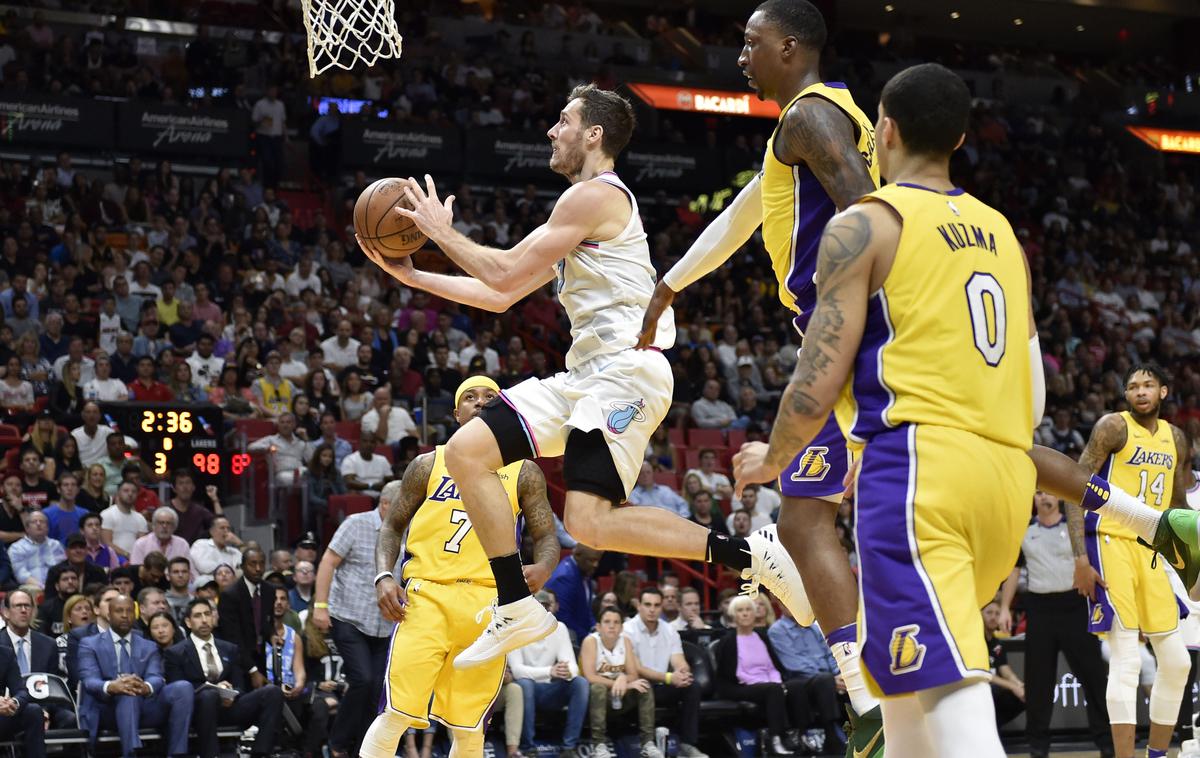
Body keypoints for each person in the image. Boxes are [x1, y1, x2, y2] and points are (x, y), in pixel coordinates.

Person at [362, 85, 806, 672]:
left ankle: (751, 554)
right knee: (468, 453)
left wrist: (440, 234)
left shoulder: (595, 196)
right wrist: (416, 277)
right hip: (584, 377)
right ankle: (517, 604)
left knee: (588, 522)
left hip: (627, 372)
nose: (552, 130)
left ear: (593, 134)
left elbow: (505, 268)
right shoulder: (576, 211)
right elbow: (501, 293)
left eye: (563, 120)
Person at [731, 63, 1033, 758]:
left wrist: (774, 457)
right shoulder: (1002, 234)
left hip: (921, 472)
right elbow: (1033, 385)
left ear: (884, 131)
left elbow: (819, 371)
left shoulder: (866, 222)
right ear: (959, 136)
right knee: (900, 694)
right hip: (1004, 476)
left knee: (950, 691)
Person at [637, 0, 884, 749]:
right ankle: (870, 692)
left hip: (845, 336)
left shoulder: (810, 117)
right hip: (849, 334)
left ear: (790, 46)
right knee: (817, 517)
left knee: (817, 519)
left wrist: (881, 313)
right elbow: (744, 215)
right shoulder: (821, 124)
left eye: (750, 43)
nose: (739, 56)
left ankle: (874, 693)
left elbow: (872, 213)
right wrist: (668, 286)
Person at [363, 377, 561, 758]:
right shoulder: (427, 464)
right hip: (426, 597)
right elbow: (391, 527)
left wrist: (545, 566)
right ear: (456, 414)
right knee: (396, 712)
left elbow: (547, 536)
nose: (480, 402)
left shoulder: (524, 472)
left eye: (491, 397)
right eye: (470, 397)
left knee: (469, 728)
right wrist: (384, 576)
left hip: (488, 606)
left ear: (504, 411)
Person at [1064, 363, 1193, 758]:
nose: (1140, 391)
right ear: (1126, 395)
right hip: (1110, 542)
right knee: (1126, 659)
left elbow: (1177, 507)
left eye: (1148, 385)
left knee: (1177, 662)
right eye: (1133, 386)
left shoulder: (1176, 438)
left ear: (1164, 392)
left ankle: (1156, 753)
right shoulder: (1113, 427)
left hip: (1150, 549)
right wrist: (1080, 559)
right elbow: (1073, 486)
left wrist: (1192, 564)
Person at [998, 492, 1113, 758]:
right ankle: (1038, 747)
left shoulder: (1073, 526)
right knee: (1038, 684)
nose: (1043, 497)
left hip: (1075, 605)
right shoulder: (1024, 530)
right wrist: (1004, 607)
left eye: (1049, 492)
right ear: (1034, 498)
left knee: (1094, 678)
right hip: (1039, 609)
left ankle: (1107, 743)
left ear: (1059, 498)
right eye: (1038, 493)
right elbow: (1014, 571)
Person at [312, 485, 395, 758]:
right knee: (362, 679)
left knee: (376, 689)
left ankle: (364, 749)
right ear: (384, 504)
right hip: (348, 616)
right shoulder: (355, 524)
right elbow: (327, 562)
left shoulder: (407, 531)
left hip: (384, 623)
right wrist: (320, 606)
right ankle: (337, 742)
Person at [77, 594, 195, 758]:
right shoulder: (89, 644)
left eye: (129, 611)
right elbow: (89, 680)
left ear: (136, 614)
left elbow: (156, 676)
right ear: (109, 615)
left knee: (183, 688)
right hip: (106, 709)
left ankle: (177, 754)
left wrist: (145, 687)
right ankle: (131, 753)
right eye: (119, 611)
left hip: (145, 706)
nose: (125, 615)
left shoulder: (149, 646)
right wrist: (113, 686)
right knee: (126, 693)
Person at [164, 598, 285, 758]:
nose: (204, 620)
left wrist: (232, 692)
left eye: (207, 614)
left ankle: (261, 752)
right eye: (198, 616)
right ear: (188, 622)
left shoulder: (229, 648)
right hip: (197, 710)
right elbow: (178, 690)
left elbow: (240, 684)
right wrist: (212, 688)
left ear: (214, 618)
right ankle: (211, 755)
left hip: (229, 706)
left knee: (273, 692)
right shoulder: (176, 653)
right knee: (209, 695)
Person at [622, 587, 707, 758]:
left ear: (662, 607)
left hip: (663, 685)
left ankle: (687, 744)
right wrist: (670, 677)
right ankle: (646, 743)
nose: (652, 609)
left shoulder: (669, 630)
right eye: (647, 604)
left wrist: (683, 672)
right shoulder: (627, 630)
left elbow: (678, 659)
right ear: (639, 606)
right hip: (637, 686)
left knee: (692, 686)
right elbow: (636, 668)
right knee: (644, 686)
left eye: (656, 605)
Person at [508, 589, 589, 756]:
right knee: (524, 684)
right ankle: (527, 747)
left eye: (545, 606)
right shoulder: (514, 629)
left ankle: (569, 747)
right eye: (537, 606)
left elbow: (573, 668)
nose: (541, 610)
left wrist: (566, 671)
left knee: (580, 683)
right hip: (525, 691)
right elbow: (517, 670)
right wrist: (550, 671)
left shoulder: (559, 628)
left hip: (550, 690)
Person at [580, 606, 657, 758]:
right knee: (598, 688)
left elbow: (633, 674)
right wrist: (621, 683)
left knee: (644, 686)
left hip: (620, 695)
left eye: (616, 622)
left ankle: (647, 743)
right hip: (596, 699)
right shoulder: (590, 641)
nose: (611, 625)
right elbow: (590, 677)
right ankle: (598, 745)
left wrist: (623, 678)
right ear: (598, 626)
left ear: (621, 627)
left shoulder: (625, 641)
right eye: (607, 621)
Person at [2, 589, 76, 727]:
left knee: (69, 718)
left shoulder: (49, 644)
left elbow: (51, 684)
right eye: (18, 606)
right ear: (6, 612)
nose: (23, 610)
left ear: (33, 611)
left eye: (27, 606)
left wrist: (45, 711)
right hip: (8, 706)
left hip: (43, 704)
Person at [214, 546, 270, 687]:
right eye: (253, 564)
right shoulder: (230, 595)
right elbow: (232, 638)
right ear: (243, 566)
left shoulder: (270, 590)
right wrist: (252, 670)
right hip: (239, 662)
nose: (258, 568)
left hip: (264, 658)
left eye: (262, 563)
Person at [545, 543, 603, 644]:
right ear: (577, 555)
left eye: (597, 560)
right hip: (569, 640)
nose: (596, 565)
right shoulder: (565, 577)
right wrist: (588, 637)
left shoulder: (584, 570)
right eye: (591, 560)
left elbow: (586, 607)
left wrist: (594, 628)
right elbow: (563, 618)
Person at [981, 600, 1025, 729]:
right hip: (978, 687)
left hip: (995, 685)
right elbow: (984, 674)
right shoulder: (976, 641)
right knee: (994, 690)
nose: (993, 617)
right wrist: (1012, 686)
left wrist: (1019, 684)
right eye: (989, 613)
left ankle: (992, 728)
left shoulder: (997, 643)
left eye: (997, 613)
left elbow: (1005, 671)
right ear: (980, 615)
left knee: (1025, 695)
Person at [0, 641, 46, 758]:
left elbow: (22, 691)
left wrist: (13, 703)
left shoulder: (5, 653)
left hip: (2, 715)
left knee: (33, 711)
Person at [9, 510, 67, 592]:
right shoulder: (17, 548)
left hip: (56, 588)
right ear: (27, 528)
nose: (38, 524)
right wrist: (42, 587)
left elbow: (62, 569)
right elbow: (21, 574)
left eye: (42, 522)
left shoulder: (56, 545)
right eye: (34, 522)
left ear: (47, 527)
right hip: (31, 590)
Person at [101, 481, 149, 559]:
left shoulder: (140, 518)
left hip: (135, 560)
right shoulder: (107, 514)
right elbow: (106, 543)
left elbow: (143, 544)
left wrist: (135, 557)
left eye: (133, 491)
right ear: (118, 493)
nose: (130, 494)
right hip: (113, 559)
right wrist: (127, 555)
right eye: (126, 491)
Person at [190, 515, 242, 585]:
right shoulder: (201, 544)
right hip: (207, 586)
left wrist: (239, 543)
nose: (226, 531)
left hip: (230, 588)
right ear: (212, 532)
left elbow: (245, 568)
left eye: (228, 529)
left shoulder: (234, 551)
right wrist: (230, 571)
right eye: (222, 528)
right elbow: (204, 567)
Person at [339, 428, 392, 496]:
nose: (368, 444)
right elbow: (349, 482)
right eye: (365, 441)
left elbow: (390, 481)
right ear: (359, 442)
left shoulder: (382, 460)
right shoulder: (350, 460)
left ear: (376, 444)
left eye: (372, 442)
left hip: (382, 496)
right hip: (360, 497)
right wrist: (371, 486)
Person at [44, 471, 86, 545]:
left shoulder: (84, 514)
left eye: (73, 485)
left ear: (78, 490)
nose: (70, 488)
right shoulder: (46, 514)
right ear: (58, 489)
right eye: (66, 485)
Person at [35, 564, 79, 636]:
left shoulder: (86, 606)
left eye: (74, 578)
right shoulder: (46, 608)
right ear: (57, 586)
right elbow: (41, 635)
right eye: (65, 579)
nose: (70, 582)